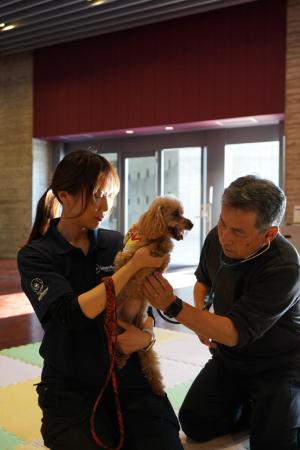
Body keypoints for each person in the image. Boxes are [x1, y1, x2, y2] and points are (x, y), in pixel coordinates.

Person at [17, 150, 183, 450]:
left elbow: (143, 304)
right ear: (64, 196)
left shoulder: (115, 241)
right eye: (96, 195)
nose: (105, 206)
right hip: (70, 385)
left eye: (109, 195)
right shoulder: (36, 255)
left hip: (128, 375)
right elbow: (70, 314)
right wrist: (132, 266)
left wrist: (145, 337)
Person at [144, 175, 300, 450]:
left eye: (238, 232)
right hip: (230, 358)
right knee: (195, 424)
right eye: (222, 223)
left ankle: (283, 409)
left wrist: (173, 305)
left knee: (272, 444)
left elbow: (234, 332)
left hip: (278, 365)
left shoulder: (285, 266)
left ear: (269, 233)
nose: (225, 237)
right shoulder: (216, 238)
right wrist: (203, 318)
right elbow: (203, 280)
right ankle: (257, 409)